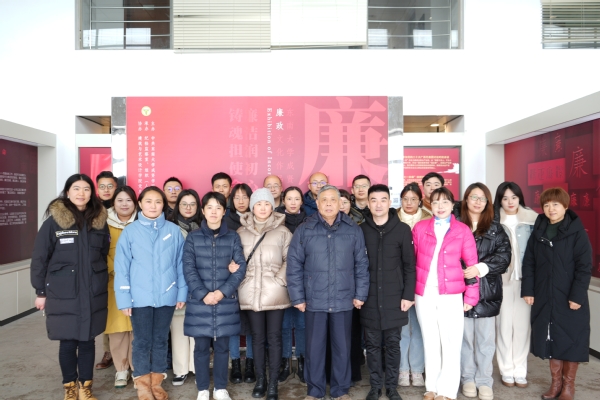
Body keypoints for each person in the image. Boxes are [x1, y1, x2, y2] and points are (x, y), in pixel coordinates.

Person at [287, 184, 370, 400]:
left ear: (340, 203)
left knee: (342, 348)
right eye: (324, 200)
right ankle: (314, 391)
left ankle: (340, 391)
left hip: (344, 298)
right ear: (317, 203)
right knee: (314, 349)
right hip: (314, 299)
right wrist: (298, 297)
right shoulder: (305, 229)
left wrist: (360, 294)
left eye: (333, 200)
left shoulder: (352, 229)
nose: (329, 204)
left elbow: (361, 264)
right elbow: (294, 265)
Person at [31, 173, 109, 400]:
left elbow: (102, 254)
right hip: (63, 293)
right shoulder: (53, 223)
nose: (81, 193)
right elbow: (39, 259)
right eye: (76, 188)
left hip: (92, 292)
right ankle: (70, 388)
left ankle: (85, 388)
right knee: (67, 342)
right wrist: (40, 291)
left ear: (91, 193)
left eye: (86, 189)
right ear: (67, 192)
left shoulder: (99, 222)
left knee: (87, 341)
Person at [114, 186, 187, 400]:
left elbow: (181, 264)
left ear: (163, 205)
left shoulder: (173, 231)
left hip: (167, 295)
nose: (153, 206)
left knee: (161, 340)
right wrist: (124, 299)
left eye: (158, 201)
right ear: (140, 204)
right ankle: (143, 386)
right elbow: (122, 267)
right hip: (139, 298)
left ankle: (156, 383)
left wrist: (181, 293)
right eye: (148, 201)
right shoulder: (130, 232)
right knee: (142, 342)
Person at [522, 187, 592, 400]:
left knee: (572, 338)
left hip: (569, 296)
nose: (550, 209)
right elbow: (529, 263)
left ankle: (569, 386)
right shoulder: (539, 230)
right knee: (551, 337)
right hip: (544, 294)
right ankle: (555, 385)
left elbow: (584, 267)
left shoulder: (577, 232)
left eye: (555, 204)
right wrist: (528, 290)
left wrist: (577, 296)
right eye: (546, 205)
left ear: (565, 206)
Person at [412, 187, 479, 400]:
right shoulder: (420, 228)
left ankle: (447, 390)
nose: (440, 206)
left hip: (451, 293)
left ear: (452, 205)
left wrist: (471, 296)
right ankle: (431, 387)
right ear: (430, 205)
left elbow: (472, 265)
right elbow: (411, 262)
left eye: (445, 202)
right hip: (424, 293)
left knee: (451, 341)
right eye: (435, 202)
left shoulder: (462, 230)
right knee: (430, 340)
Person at [183, 191, 247, 400]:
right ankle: (202, 388)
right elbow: (189, 269)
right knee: (201, 347)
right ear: (203, 211)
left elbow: (240, 268)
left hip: (224, 301)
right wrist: (203, 294)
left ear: (223, 211)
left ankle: (220, 388)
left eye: (218, 208)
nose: (213, 212)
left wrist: (221, 292)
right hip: (199, 303)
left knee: (222, 347)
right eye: (209, 207)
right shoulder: (193, 238)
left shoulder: (233, 237)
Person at [455, 183, 511, 400]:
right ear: (466, 199)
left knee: (486, 341)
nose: (477, 202)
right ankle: (467, 378)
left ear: (488, 202)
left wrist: (480, 268)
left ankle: (484, 380)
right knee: (465, 340)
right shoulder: (455, 224)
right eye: (473, 197)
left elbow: (504, 257)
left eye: (482, 198)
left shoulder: (496, 229)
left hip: (487, 291)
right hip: (460, 290)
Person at [360, 184, 416, 400]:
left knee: (393, 344)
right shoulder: (361, 230)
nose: (378, 204)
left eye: (383, 200)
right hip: (369, 298)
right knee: (373, 346)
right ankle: (375, 387)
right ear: (368, 203)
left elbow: (409, 266)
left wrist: (408, 295)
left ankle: (392, 387)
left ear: (390, 202)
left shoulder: (402, 230)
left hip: (395, 298)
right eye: (374, 200)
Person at [237, 188, 293, 400]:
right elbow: (235, 260)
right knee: (257, 338)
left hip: (275, 293)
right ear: (252, 207)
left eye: (267, 204)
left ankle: (273, 384)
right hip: (250, 292)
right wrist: (241, 277)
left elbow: (291, 260)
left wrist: (279, 281)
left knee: (275, 338)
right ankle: (261, 380)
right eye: (258, 204)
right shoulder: (241, 232)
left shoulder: (283, 232)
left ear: (272, 206)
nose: (262, 208)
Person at [493, 182, 538, 389]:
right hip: (501, 280)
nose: (510, 202)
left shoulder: (532, 220)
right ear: (499, 201)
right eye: (505, 198)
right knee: (503, 326)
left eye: (514, 197)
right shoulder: (494, 221)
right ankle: (506, 370)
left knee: (521, 328)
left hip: (525, 282)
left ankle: (520, 370)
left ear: (520, 198)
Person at [397, 182, 431, 387]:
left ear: (420, 200)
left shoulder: (430, 219)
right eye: (405, 199)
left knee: (419, 327)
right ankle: (402, 369)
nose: (409, 203)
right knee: (401, 327)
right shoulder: (393, 218)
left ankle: (417, 370)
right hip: (398, 280)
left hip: (423, 279)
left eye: (413, 199)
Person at [168, 189, 203, 386]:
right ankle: (180, 369)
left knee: (199, 328)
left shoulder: (204, 226)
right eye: (184, 204)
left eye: (192, 204)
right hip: (176, 282)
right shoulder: (169, 227)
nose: (188, 208)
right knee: (178, 328)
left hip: (200, 283)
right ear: (177, 206)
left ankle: (197, 367)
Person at [223, 182, 256, 384]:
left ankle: (250, 363)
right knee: (233, 325)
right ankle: (235, 363)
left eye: (245, 197)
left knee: (252, 325)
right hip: (231, 281)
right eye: (237, 197)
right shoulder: (225, 221)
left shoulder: (257, 219)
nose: (241, 201)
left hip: (253, 281)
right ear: (231, 200)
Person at [105, 186, 137, 389]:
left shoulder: (142, 223)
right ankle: (121, 370)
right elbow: (100, 253)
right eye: (120, 200)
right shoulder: (103, 224)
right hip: (113, 282)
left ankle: (137, 369)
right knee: (117, 331)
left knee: (136, 330)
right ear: (113, 203)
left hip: (139, 283)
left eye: (128, 200)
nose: (124, 204)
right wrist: (117, 271)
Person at [275, 186, 307, 384]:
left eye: (297, 199)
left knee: (302, 325)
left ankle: (302, 363)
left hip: (304, 280)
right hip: (281, 280)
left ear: (302, 201)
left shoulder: (310, 221)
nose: (293, 202)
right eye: (289, 198)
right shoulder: (276, 221)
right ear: (283, 201)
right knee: (285, 325)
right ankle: (286, 364)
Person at [338, 188, 365, 385]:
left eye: (345, 202)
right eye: (337, 202)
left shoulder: (359, 227)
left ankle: (353, 373)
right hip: (334, 290)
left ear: (351, 205)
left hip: (354, 288)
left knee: (353, 333)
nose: (341, 206)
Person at [95, 170, 118, 370]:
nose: (106, 189)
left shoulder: (123, 206)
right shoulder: (93, 211)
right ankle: (108, 351)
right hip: (102, 267)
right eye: (102, 186)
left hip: (123, 266)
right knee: (107, 310)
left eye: (110, 186)